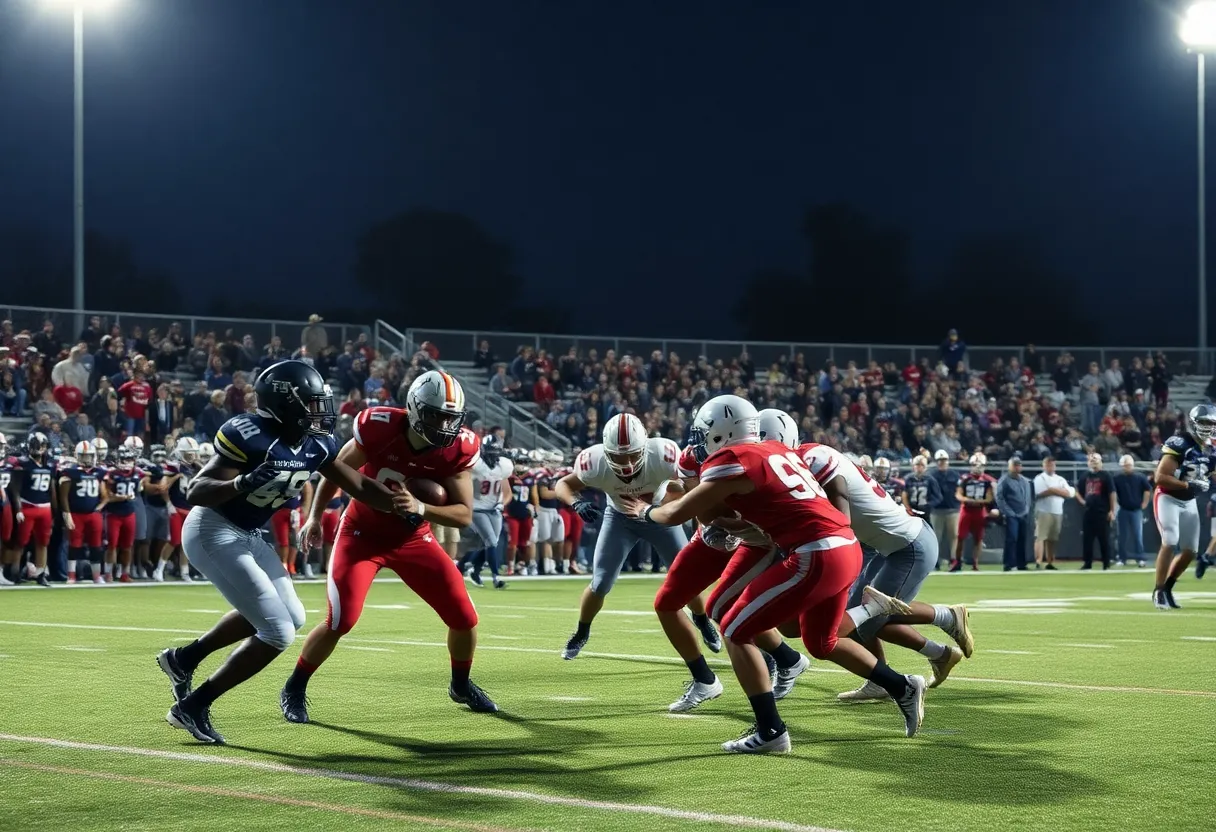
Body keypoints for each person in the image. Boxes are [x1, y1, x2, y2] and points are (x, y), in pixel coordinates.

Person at [623, 394, 925, 754]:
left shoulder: (733, 459)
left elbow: (674, 514)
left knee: (734, 628)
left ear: (721, 433)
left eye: (704, 432)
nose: (699, 440)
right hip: (846, 547)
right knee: (820, 642)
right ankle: (902, 686)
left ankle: (771, 731)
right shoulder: (775, 450)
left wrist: (644, 511)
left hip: (814, 553)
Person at [153, 360, 408, 744]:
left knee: (293, 615)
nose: (319, 411)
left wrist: (397, 503)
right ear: (283, 404)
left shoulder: (316, 443)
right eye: (310, 403)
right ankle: (193, 706)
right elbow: (196, 491)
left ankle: (183, 659)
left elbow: (355, 483)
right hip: (213, 528)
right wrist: (242, 480)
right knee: (276, 631)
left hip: (249, 532)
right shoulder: (249, 434)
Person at [282, 370, 498, 725]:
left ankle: (460, 684)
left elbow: (462, 515)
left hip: (413, 538)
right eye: (436, 415)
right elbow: (335, 469)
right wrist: (315, 516)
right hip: (362, 534)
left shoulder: (459, 448)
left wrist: (422, 508)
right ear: (414, 409)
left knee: (464, 618)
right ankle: (295, 686)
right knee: (341, 619)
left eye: (451, 417)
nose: (445, 425)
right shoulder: (379, 426)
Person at [649, 408, 811, 713]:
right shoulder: (692, 458)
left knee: (730, 611)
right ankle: (706, 680)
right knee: (666, 602)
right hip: (716, 534)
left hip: (755, 540)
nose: (697, 443)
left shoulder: (766, 457)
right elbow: (699, 506)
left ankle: (778, 685)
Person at [797, 428, 973, 701]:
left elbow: (839, 522)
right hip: (889, 546)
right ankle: (919, 662)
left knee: (867, 621)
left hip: (909, 546)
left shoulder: (819, 466)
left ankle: (945, 621)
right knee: (861, 616)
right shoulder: (819, 461)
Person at [554, 413, 718, 665]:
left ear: (645, 445)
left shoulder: (664, 455)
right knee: (600, 583)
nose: (627, 464)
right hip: (620, 519)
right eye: (619, 457)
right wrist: (576, 503)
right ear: (606, 452)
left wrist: (696, 518)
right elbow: (563, 484)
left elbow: (692, 488)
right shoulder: (593, 462)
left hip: (658, 517)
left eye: (632, 454)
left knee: (687, 576)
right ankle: (582, 631)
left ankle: (701, 619)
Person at [1149, 404, 1216, 609]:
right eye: (1203, 422)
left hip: (1188, 501)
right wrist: (1189, 484)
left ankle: (1168, 587)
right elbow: (1160, 478)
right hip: (1168, 497)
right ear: (1193, 422)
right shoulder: (1180, 442)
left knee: (1190, 551)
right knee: (1170, 540)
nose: (1207, 427)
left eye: (1211, 423)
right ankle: (1158, 590)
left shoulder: (1212, 449)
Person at [8, 432, 58, 586]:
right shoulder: (22, 463)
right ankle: (14, 573)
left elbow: (52, 490)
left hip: (45, 508)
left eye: (41, 445)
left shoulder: (50, 464)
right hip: (28, 506)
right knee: (21, 542)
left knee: (43, 543)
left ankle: (40, 573)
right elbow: (15, 488)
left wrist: (55, 512)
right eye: (36, 445)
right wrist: (18, 509)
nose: (39, 449)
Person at [463, 434, 513, 588]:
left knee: (491, 544)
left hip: (494, 509)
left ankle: (471, 570)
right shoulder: (475, 465)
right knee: (491, 542)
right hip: (478, 509)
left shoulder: (503, 466)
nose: (494, 454)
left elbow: (506, 490)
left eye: (496, 450)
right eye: (491, 450)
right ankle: (496, 577)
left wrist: (501, 504)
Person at [58, 440, 108, 583]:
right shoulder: (70, 471)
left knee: (96, 545)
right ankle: (71, 575)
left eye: (89, 456)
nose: (87, 459)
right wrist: (66, 514)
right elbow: (64, 496)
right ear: (77, 456)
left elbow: (104, 494)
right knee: (75, 545)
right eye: (83, 456)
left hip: (93, 514)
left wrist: (101, 505)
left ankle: (96, 576)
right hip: (76, 513)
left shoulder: (99, 472)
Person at [951, 453, 995, 571]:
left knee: (978, 538)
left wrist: (979, 502)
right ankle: (957, 561)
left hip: (979, 511)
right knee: (960, 537)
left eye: (980, 465)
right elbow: (958, 494)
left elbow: (990, 498)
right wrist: (969, 500)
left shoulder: (987, 480)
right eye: (975, 465)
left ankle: (975, 563)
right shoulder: (965, 478)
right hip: (966, 510)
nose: (977, 467)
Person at [1075, 453, 1116, 570]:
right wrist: (1082, 501)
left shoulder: (1106, 475)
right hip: (1088, 511)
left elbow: (1112, 493)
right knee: (1087, 539)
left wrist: (1112, 510)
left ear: (1101, 462)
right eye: (1091, 460)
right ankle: (1087, 563)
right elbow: (1077, 490)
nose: (1093, 461)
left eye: (1096, 459)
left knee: (1104, 539)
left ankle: (1106, 563)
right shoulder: (1084, 476)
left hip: (1102, 511)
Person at [1032, 456, 1073, 570]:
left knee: (1053, 538)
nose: (1050, 467)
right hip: (1043, 511)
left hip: (1057, 511)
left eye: (1052, 465)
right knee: (1040, 536)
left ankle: (1050, 561)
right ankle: (1038, 561)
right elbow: (1040, 492)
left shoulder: (1060, 479)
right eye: (1048, 465)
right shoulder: (1040, 478)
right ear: (1044, 466)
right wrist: (1058, 491)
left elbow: (1069, 493)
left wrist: (1053, 490)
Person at [1112, 454, 1151, 568]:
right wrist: (1115, 506)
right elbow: (1113, 493)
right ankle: (1122, 558)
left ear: (1132, 465)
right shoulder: (1117, 478)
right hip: (1123, 509)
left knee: (1137, 535)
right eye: (1125, 465)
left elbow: (1147, 490)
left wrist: (1144, 503)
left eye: (1128, 465)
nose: (1126, 467)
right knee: (1122, 536)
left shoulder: (1140, 477)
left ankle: (1140, 558)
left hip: (1136, 510)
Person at [995, 458, 1033, 571]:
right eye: (1014, 465)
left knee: (1022, 538)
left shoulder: (1025, 481)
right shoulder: (1004, 480)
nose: (1017, 467)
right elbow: (1000, 498)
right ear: (1009, 466)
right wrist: (1008, 512)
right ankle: (1009, 563)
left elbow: (1028, 497)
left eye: (1019, 465)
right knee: (1012, 538)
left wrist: (1026, 509)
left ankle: (1021, 563)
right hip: (1011, 514)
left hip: (1023, 513)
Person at [929, 449, 960, 569]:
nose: (942, 462)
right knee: (936, 537)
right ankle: (935, 561)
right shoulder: (932, 475)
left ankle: (954, 560)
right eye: (940, 460)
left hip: (953, 509)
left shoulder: (955, 474)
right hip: (937, 510)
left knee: (954, 536)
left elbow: (959, 489)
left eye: (944, 460)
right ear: (936, 462)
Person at [902, 454, 941, 521]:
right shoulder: (908, 479)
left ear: (925, 467)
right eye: (917, 465)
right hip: (911, 510)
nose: (919, 467)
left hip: (925, 512)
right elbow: (904, 495)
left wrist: (928, 505)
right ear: (913, 466)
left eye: (922, 465)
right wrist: (907, 507)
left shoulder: (930, 480)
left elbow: (938, 497)